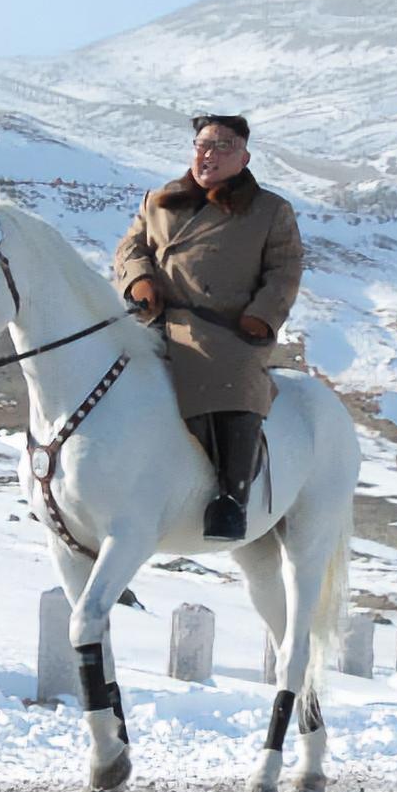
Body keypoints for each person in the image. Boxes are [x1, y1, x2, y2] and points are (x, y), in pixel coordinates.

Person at [114, 114, 303, 541]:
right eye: (202, 144)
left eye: (222, 146)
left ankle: (230, 499)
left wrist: (261, 316)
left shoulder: (270, 211)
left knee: (232, 381)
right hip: (156, 318)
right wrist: (139, 281)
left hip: (227, 328)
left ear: (244, 156)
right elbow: (131, 247)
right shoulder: (160, 199)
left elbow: (284, 271)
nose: (209, 154)